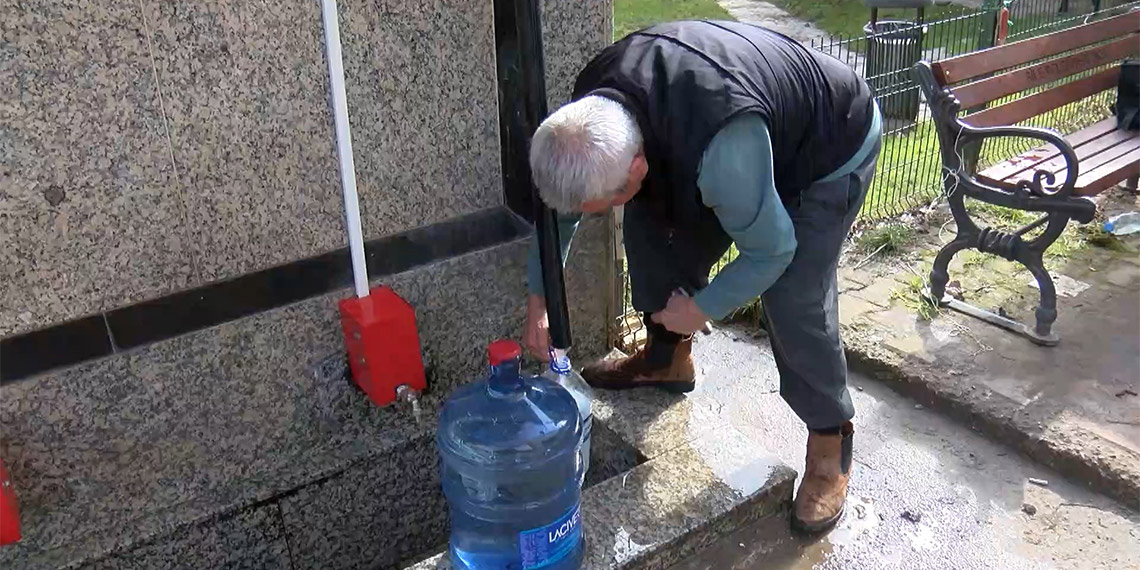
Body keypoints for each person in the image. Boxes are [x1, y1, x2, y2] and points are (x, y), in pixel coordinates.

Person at [522, 20, 881, 532]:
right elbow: (561, 215)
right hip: (733, 123)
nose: (594, 213)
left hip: (830, 143)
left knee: (794, 292)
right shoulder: (586, 121)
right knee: (650, 230)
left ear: (638, 165)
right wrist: (539, 302)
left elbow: (772, 251)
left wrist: (699, 308)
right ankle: (668, 361)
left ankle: (830, 443)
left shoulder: (722, 151)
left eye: (605, 204)